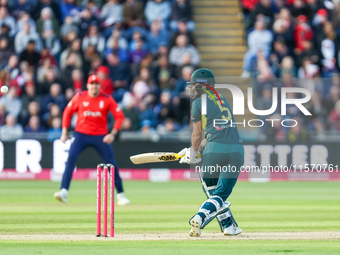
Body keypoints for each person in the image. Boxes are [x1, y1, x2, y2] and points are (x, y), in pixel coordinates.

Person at [178, 68, 244, 236]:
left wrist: (193, 152)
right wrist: (198, 148)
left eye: (194, 85)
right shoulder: (222, 99)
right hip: (235, 151)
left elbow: (197, 134)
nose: (191, 89)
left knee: (214, 192)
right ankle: (228, 226)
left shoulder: (198, 103)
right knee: (218, 195)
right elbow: (215, 130)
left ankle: (201, 218)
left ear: (203, 86)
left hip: (214, 152)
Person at [54, 74, 130, 205]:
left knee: (111, 164)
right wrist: (64, 132)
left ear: (99, 86)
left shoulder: (106, 98)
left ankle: (121, 195)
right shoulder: (80, 97)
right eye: (92, 84)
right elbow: (67, 111)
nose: (94, 86)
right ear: (88, 85)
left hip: (100, 136)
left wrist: (113, 133)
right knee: (70, 159)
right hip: (81, 134)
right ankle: (64, 191)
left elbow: (119, 116)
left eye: (96, 84)